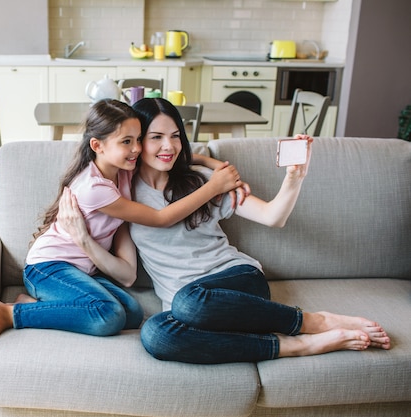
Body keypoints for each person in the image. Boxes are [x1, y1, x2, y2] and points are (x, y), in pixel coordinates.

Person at [127, 97, 391, 364]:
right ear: (136, 142)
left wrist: (294, 178)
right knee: (156, 335)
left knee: (188, 302)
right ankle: (296, 346)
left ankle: (315, 321)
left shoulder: (202, 180)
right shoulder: (122, 192)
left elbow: (272, 216)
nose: (168, 146)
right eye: (156, 137)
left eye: (175, 136)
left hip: (236, 280)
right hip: (188, 307)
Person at [0, 99, 242, 359]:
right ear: (97, 145)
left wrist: (211, 163)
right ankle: (12, 314)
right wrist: (214, 186)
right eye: (127, 141)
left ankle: (34, 304)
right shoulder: (94, 189)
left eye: (138, 139)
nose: (137, 148)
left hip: (81, 272)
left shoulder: (122, 168)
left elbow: (170, 155)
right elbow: (161, 218)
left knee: (133, 314)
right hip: (49, 267)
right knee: (108, 315)